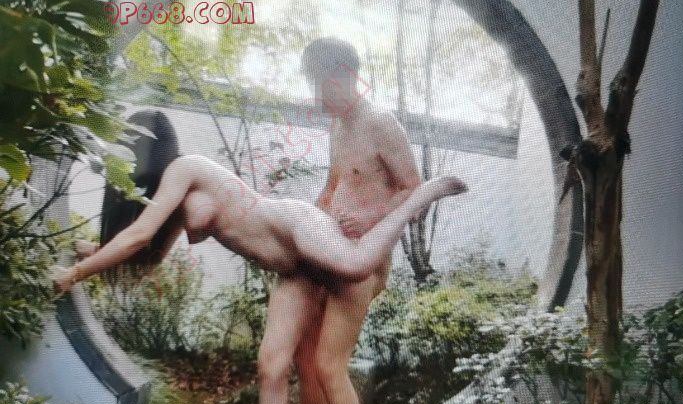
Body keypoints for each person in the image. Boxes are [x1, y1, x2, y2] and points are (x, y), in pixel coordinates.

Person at [51, 120, 466, 299]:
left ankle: (422, 195)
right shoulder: (173, 192)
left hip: (292, 223)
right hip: (291, 258)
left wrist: (73, 275)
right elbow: (149, 252)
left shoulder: (185, 167)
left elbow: (137, 235)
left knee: (356, 266)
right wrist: (90, 253)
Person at [258, 37, 423, 404]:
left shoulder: (382, 124)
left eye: (320, 85)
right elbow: (334, 188)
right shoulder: (338, 126)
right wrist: (302, 226)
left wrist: (369, 220)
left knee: (330, 366)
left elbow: (414, 190)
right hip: (328, 253)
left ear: (345, 76)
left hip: (362, 263)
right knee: (306, 358)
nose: (316, 98)